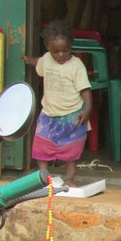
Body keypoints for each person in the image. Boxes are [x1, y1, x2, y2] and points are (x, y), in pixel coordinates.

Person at [22, 20, 92, 185]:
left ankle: (69, 180)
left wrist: (87, 110)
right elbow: (37, 62)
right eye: (56, 51)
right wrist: (28, 59)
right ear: (47, 47)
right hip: (48, 115)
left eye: (65, 50)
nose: (61, 55)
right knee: (41, 147)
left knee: (71, 152)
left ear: (71, 46)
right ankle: (43, 177)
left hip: (72, 116)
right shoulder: (46, 59)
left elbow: (85, 90)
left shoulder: (76, 65)